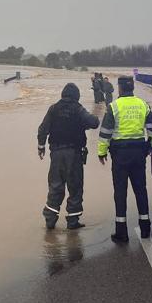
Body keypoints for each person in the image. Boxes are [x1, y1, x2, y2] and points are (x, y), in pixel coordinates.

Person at [97, 75, 152, 243]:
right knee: (141, 189)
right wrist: (151, 146)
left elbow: (105, 133)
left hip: (120, 154)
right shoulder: (143, 104)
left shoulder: (114, 106)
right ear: (133, 88)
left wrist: (101, 152)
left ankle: (121, 232)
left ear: (120, 88)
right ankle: (145, 228)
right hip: (139, 153)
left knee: (120, 192)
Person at [38, 83, 100, 230]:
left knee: (55, 186)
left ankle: (50, 220)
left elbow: (43, 129)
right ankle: (72, 221)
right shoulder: (78, 109)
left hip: (56, 154)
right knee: (75, 186)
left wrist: (41, 146)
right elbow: (94, 123)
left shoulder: (53, 109)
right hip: (74, 154)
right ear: (76, 96)